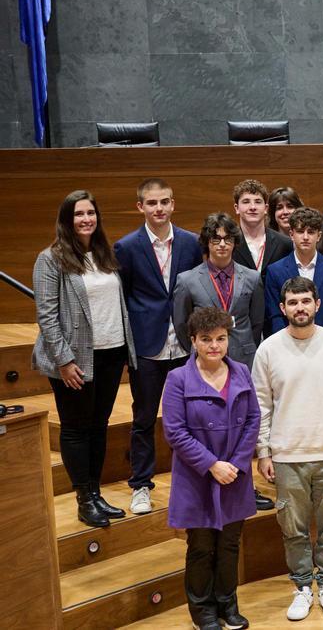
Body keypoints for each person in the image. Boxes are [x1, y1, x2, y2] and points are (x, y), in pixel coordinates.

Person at [254, 277, 323, 621]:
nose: (300, 307)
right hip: (287, 455)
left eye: (306, 301)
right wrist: (264, 450)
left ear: (317, 304)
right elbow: (261, 405)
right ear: (283, 308)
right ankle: (302, 587)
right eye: (293, 302)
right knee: (293, 529)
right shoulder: (268, 349)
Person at [33, 190, 137, 528]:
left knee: (99, 425)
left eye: (90, 212)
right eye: (78, 214)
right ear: (66, 219)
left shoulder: (104, 254)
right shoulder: (51, 259)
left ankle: (95, 491)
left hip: (110, 354)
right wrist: (64, 360)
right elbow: (47, 315)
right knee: (77, 428)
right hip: (76, 360)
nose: (86, 219)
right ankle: (83, 498)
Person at [161, 307, 258, 630]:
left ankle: (228, 605)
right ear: (193, 341)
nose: (214, 346)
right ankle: (202, 611)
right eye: (206, 340)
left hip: (235, 474)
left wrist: (237, 463)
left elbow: (254, 420)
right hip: (197, 477)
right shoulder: (177, 379)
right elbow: (174, 431)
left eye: (220, 338)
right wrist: (212, 464)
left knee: (230, 544)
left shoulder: (242, 372)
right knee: (201, 546)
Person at [113, 178, 204, 515]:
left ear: (173, 204)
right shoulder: (127, 247)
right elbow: (123, 299)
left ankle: (196, 480)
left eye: (164, 202)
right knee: (144, 418)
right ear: (140, 207)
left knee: (192, 417)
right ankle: (141, 485)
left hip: (183, 344)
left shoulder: (191, 243)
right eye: (151, 203)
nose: (159, 209)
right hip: (148, 346)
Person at [174, 213, 265, 368]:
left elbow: (257, 322)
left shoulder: (253, 277)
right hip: (204, 357)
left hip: (243, 357)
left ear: (235, 242)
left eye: (228, 238)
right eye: (216, 239)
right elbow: (182, 325)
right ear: (207, 242)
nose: (222, 244)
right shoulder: (187, 280)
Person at [265, 207, 323, 336]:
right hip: (287, 345)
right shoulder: (275, 271)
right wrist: (287, 342)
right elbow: (275, 315)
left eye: (310, 232)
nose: (305, 237)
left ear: (319, 236)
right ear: (291, 234)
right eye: (300, 231)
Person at [231, 179, 293, 277]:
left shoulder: (285, 244)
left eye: (258, 202)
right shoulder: (229, 242)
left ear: (266, 208)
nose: (252, 207)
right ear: (237, 208)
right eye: (246, 202)